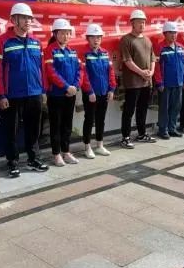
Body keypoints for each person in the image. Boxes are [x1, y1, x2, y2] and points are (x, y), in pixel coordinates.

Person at [0, 2, 48, 178]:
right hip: (12, 95)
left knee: (34, 129)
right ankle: (13, 163)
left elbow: (41, 68)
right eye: (24, 18)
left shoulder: (36, 42)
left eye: (29, 18)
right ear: (13, 20)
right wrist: (1, 94)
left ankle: (34, 159)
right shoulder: (3, 41)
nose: (28, 21)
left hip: (34, 93)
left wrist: (43, 90)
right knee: (12, 130)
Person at [44, 18, 82, 166]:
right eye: (62, 33)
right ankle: (56, 154)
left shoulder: (72, 51)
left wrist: (75, 86)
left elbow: (80, 70)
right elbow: (51, 72)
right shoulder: (50, 50)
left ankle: (66, 151)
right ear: (55, 34)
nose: (66, 36)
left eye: (68, 33)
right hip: (56, 95)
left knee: (67, 125)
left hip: (70, 94)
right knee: (56, 125)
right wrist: (66, 87)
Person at [119, 9, 157, 149]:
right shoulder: (126, 40)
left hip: (146, 82)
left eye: (143, 22)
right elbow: (127, 61)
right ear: (132, 23)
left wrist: (151, 72)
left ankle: (141, 134)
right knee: (129, 110)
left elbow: (153, 58)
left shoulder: (147, 40)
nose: (142, 25)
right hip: (133, 83)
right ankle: (125, 137)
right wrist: (141, 72)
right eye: (139, 22)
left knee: (143, 108)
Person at [81, 24, 117, 159]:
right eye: (93, 37)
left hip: (104, 92)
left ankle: (100, 145)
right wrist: (89, 91)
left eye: (98, 37)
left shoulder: (105, 53)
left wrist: (111, 89)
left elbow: (111, 72)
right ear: (88, 39)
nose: (96, 40)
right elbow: (83, 75)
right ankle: (87, 147)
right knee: (89, 120)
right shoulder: (84, 54)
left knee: (101, 119)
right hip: (90, 93)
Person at [154, 22, 184, 140]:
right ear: (165, 34)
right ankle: (163, 130)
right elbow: (157, 66)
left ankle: (172, 128)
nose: (173, 35)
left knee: (176, 107)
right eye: (171, 33)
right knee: (164, 108)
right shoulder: (160, 47)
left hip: (179, 83)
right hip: (166, 84)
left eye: (175, 33)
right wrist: (159, 82)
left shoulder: (181, 47)